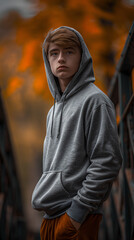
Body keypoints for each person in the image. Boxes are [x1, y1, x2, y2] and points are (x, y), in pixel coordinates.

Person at [31, 26, 122, 240]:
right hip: (50, 216)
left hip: (77, 217)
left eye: (69, 51)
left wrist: (77, 213)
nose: (61, 58)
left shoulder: (95, 101)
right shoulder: (53, 111)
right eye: (54, 53)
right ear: (48, 59)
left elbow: (107, 161)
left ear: (82, 57)